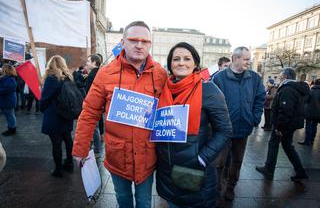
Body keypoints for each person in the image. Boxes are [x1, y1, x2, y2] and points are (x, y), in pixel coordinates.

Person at [72, 21, 167, 208]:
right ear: (123, 42)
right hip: (117, 155)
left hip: (147, 155)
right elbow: (90, 113)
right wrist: (80, 148)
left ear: (150, 44)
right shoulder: (105, 73)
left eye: (144, 41)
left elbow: (169, 111)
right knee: (123, 199)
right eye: (133, 40)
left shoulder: (160, 74)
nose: (139, 45)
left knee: (144, 202)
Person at [155, 42, 232, 208]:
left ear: (195, 63)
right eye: (176, 59)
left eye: (186, 58)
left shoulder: (209, 89)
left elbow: (225, 130)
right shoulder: (163, 89)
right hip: (166, 172)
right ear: (170, 64)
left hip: (194, 170)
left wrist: (202, 158)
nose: (181, 62)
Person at [213, 46, 265, 202]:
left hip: (243, 129)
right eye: (246, 59)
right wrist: (218, 123)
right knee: (219, 162)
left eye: (249, 59)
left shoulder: (255, 78)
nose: (249, 62)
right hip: (223, 131)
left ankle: (230, 188)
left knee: (237, 161)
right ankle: (217, 188)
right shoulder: (219, 78)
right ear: (235, 58)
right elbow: (212, 103)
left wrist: (255, 118)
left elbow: (260, 98)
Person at [256, 68, 310, 181]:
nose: (279, 79)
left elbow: (285, 110)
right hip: (290, 124)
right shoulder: (295, 88)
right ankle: (300, 171)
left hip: (284, 125)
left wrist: (279, 127)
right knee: (288, 146)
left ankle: (269, 169)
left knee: (274, 145)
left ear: (285, 77)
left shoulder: (288, 89)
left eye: (280, 77)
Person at [40, 55, 75, 178]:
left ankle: (58, 170)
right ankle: (69, 163)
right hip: (66, 114)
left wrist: (42, 108)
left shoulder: (51, 79)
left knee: (56, 143)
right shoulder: (69, 77)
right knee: (67, 139)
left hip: (54, 114)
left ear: (51, 65)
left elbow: (44, 98)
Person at [299, 79, 320, 146]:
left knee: (308, 126)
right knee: (314, 126)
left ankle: (307, 141)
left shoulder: (311, 91)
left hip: (309, 111)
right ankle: (312, 140)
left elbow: (305, 100)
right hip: (318, 112)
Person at [0, 64, 18, 136]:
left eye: (3, 68)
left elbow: (6, 90)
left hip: (8, 101)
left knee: (10, 115)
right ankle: (11, 128)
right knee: (9, 115)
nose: (1, 70)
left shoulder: (11, 79)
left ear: (6, 70)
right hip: (5, 100)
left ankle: (12, 129)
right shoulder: (6, 78)